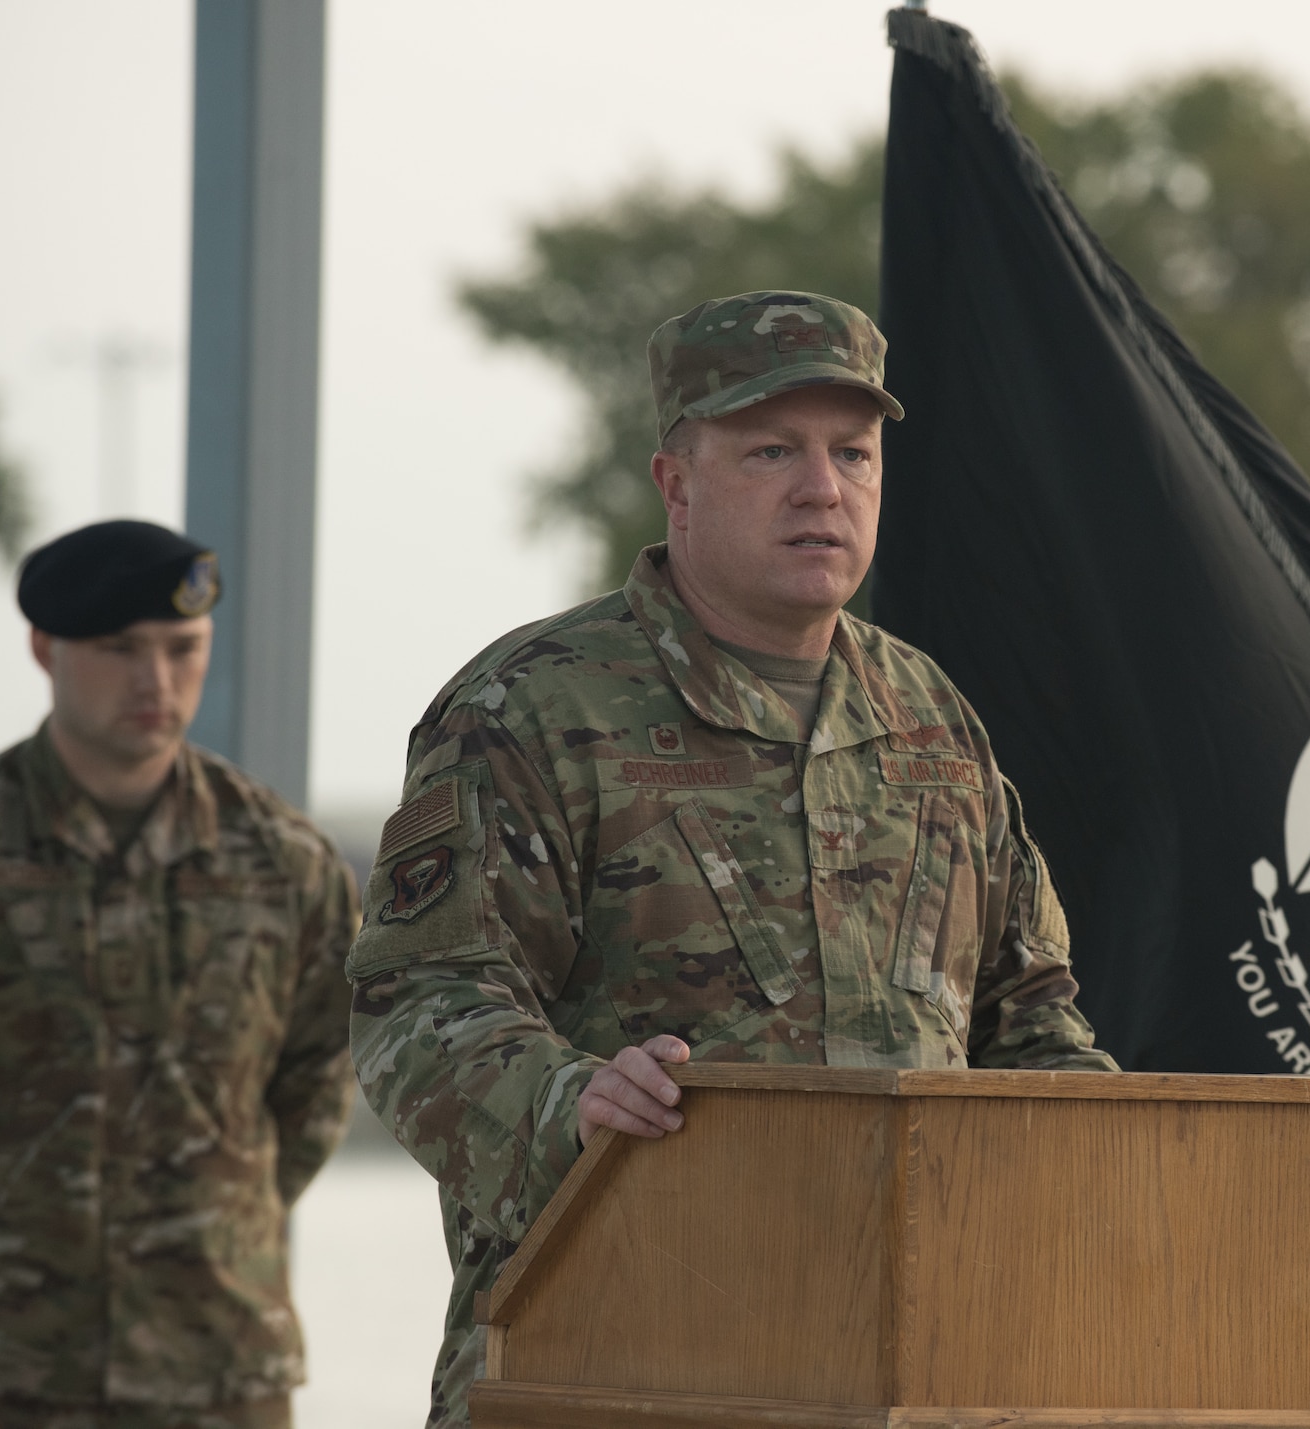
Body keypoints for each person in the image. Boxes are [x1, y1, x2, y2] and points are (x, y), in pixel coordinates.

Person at [347, 290, 1117, 1425]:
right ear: (676, 482)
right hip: (617, 1358)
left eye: (852, 453)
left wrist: (1115, 1155)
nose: (823, 488)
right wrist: (571, 1103)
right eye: (771, 451)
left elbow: (1027, 1016)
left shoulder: (930, 719)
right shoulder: (532, 706)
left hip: (910, 1371)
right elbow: (417, 1005)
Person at [0, 521, 362, 1429]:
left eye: (181, 649)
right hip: (3, 1357)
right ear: (46, 647)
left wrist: (210, 1216)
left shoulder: (285, 863)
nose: (155, 682)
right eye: (120, 650)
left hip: (215, 1362)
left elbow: (315, 1086)